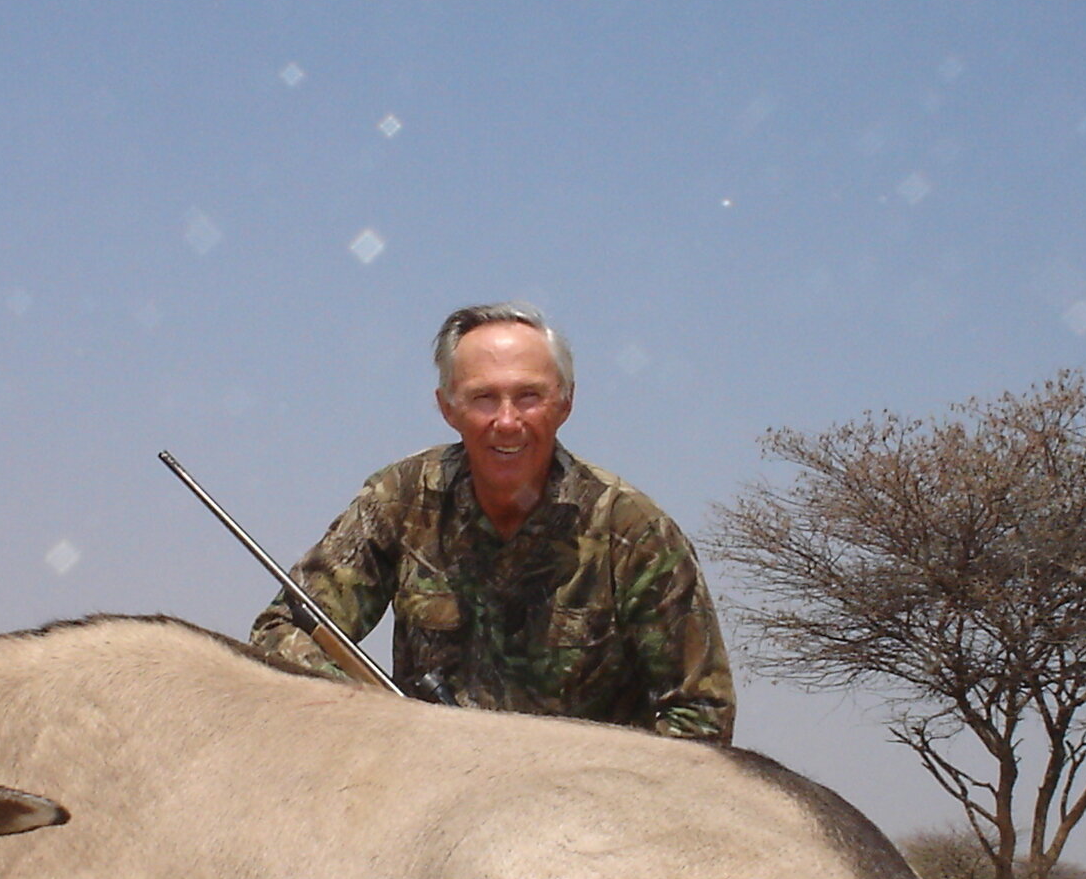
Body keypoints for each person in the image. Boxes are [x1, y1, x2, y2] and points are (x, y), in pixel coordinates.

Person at [249, 302, 735, 741]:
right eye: (483, 398)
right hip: (423, 788)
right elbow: (284, 630)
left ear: (565, 403)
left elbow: (701, 715)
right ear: (448, 408)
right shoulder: (399, 499)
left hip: (581, 814)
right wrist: (376, 714)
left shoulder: (635, 532)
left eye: (529, 396)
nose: (506, 421)